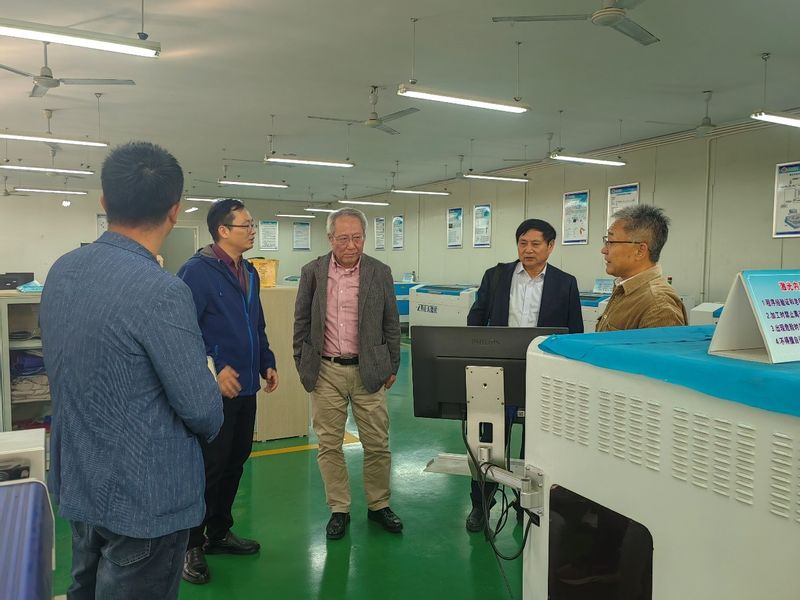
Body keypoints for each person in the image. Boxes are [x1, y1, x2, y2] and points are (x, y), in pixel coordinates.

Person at [40, 141, 223, 600]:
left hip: (80, 479)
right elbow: (203, 410)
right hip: (145, 497)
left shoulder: (63, 271)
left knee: (84, 588)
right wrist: (209, 380)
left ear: (105, 201)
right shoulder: (162, 291)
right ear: (175, 211)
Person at [556, 204, 686, 591]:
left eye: (611, 241)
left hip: (633, 428)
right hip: (611, 420)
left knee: (623, 502)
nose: (604, 249)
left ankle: (610, 564)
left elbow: (661, 382)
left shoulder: (657, 302)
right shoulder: (627, 292)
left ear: (640, 248)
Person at [177, 198, 279, 585]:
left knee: (236, 460)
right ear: (223, 230)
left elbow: (256, 325)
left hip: (246, 387)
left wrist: (266, 361)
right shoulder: (196, 272)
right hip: (213, 392)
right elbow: (183, 331)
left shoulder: (249, 271)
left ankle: (218, 532)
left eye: (253, 224)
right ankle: (191, 544)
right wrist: (214, 368)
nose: (252, 231)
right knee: (208, 468)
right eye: (246, 225)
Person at [465, 218, 583, 532]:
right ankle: (481, 503)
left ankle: (525, 504)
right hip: (498, 373)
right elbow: (476, 319)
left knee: (535, 444)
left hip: (543, 375)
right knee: (489, 441)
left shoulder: (565, 283)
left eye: (535, 244)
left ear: (550, 246)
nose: (528, 250)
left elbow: (574, 332)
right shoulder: (496, 276)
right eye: (522, 243)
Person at [293, 207, 402, 540]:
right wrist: (302, 362)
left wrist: (393, 364)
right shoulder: (312, 272)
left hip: (369, 369)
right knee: (329, 445)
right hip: (326, 370)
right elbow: (301, 321)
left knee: (377, 443)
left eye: (357, 237)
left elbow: (391, 321)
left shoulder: (379, 272)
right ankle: (338, 509)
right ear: (330, 238)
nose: (351, 245)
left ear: (365, 237)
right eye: (343, 238)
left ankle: (379, 504)